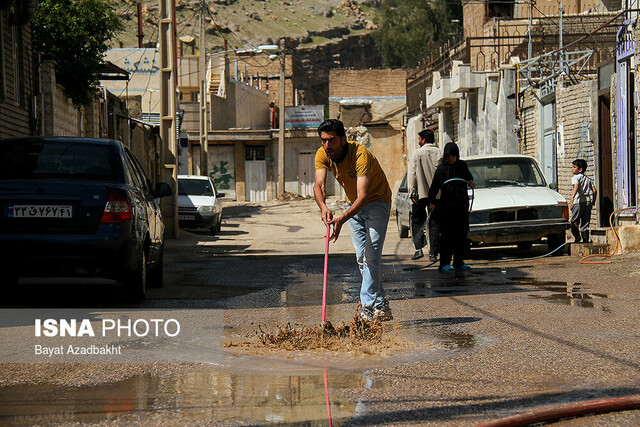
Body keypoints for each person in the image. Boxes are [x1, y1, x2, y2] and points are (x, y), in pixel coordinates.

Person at [313, 119, 393, 322]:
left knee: (371, 256)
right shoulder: (323, 154)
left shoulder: (360, 156)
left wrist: (342, 219)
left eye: (331, 140)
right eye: (323, 140)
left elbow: (363, 195)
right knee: (362, 259)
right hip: (353, 206)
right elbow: (318, 185)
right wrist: (323, 207)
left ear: (343, 139)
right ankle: (381, 304)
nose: (327, 146)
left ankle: (366, 309)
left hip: (376, 202)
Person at [428, 142, 475, 272]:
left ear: (457, 156)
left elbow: (469, 178)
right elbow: (434, 188)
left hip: (461, 207)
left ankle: (459, 262)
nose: (450, 159)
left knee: (461, 235)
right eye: (448, 156)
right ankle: (444, 264)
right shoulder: (441, 170)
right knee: (447, 236)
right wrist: (431, 202)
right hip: (447, 208)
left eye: (453, 156)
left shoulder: (462, 166)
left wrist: (471, 183)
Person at [407, 129, 442, 262]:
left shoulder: (417, 153)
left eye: (419, 139)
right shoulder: (440, 152)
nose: (418, 141)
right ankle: (433, 253)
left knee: (417, 221)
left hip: (420, 194)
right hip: (437, 195)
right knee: (435, 223)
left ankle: (419, 249)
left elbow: (412, 173)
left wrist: (412, 191)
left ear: (423, 140)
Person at [570, 159, 597, 243]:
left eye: (574, 167)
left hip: (578, 201)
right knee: (585, 222)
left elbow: (576, 187)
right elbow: (594, 190)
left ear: (580, 169)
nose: (572, 169)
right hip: (588, 201)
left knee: (574, 221)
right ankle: (585, 239)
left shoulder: (575, 177)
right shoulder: (588, 179)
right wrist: (593, 201)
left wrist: (572, 198)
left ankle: (577, 237)